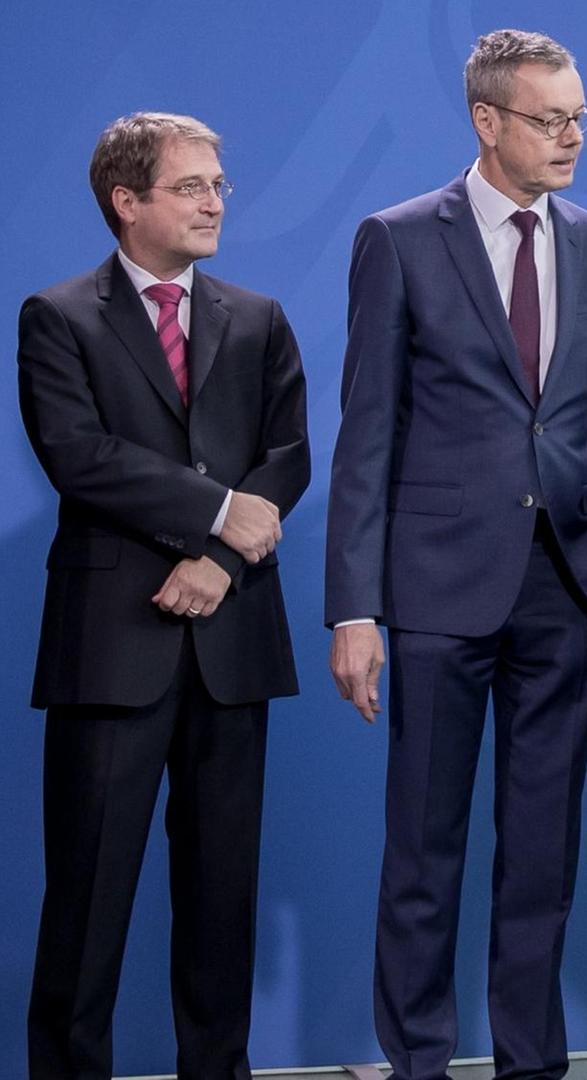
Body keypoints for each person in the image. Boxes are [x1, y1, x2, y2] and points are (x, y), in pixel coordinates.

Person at [323, 28, 587, 1080]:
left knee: (542, 855)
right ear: (486, 123)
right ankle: (417, 1061)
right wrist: (353, 608)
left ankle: (529, 1063)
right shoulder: (400, 238)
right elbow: (367, 432)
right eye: (550, 120)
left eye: (580, 115)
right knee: (426, 850)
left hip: (566, 586)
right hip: (437, 589)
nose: (571, 137)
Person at [17, 111, 310, 1079]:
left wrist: (222, 561)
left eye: (220, 184)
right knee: (89, 901)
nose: (216, 201)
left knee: (223, 899)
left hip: (232, 642)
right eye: (193, 187)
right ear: (127, 201)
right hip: (113, 647)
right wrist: (220, 515)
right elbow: (80, 458)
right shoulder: (58, 317)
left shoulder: (258, 318)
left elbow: (288, 456)